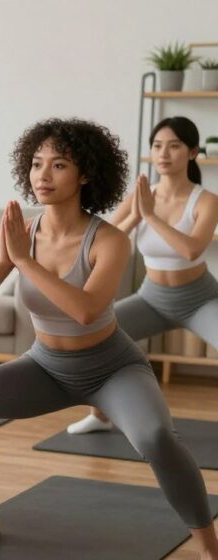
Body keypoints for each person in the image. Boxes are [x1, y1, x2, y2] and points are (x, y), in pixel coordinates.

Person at [0, 118, 218, 560]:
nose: (42, 175)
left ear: (85, 174)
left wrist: (24, 261)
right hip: (46, 365)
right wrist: (6, 259)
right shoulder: (17, 233)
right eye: (36, 164)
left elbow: (87, 310)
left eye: (59, 164)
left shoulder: (108, 239)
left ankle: (209, 547)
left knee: (154, 438)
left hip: (111, 368)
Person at [67, 116, 218, 434]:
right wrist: (136, 216)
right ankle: (100, 416)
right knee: (93, 337)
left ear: (192, 153)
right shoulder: (140, 196)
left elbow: (191, 250)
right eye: (157, 146)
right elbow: (101, 243)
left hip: (199, 298)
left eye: (174, 146)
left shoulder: (206, 200)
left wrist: (150, 215)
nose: (163, 153)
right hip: (152, 297)